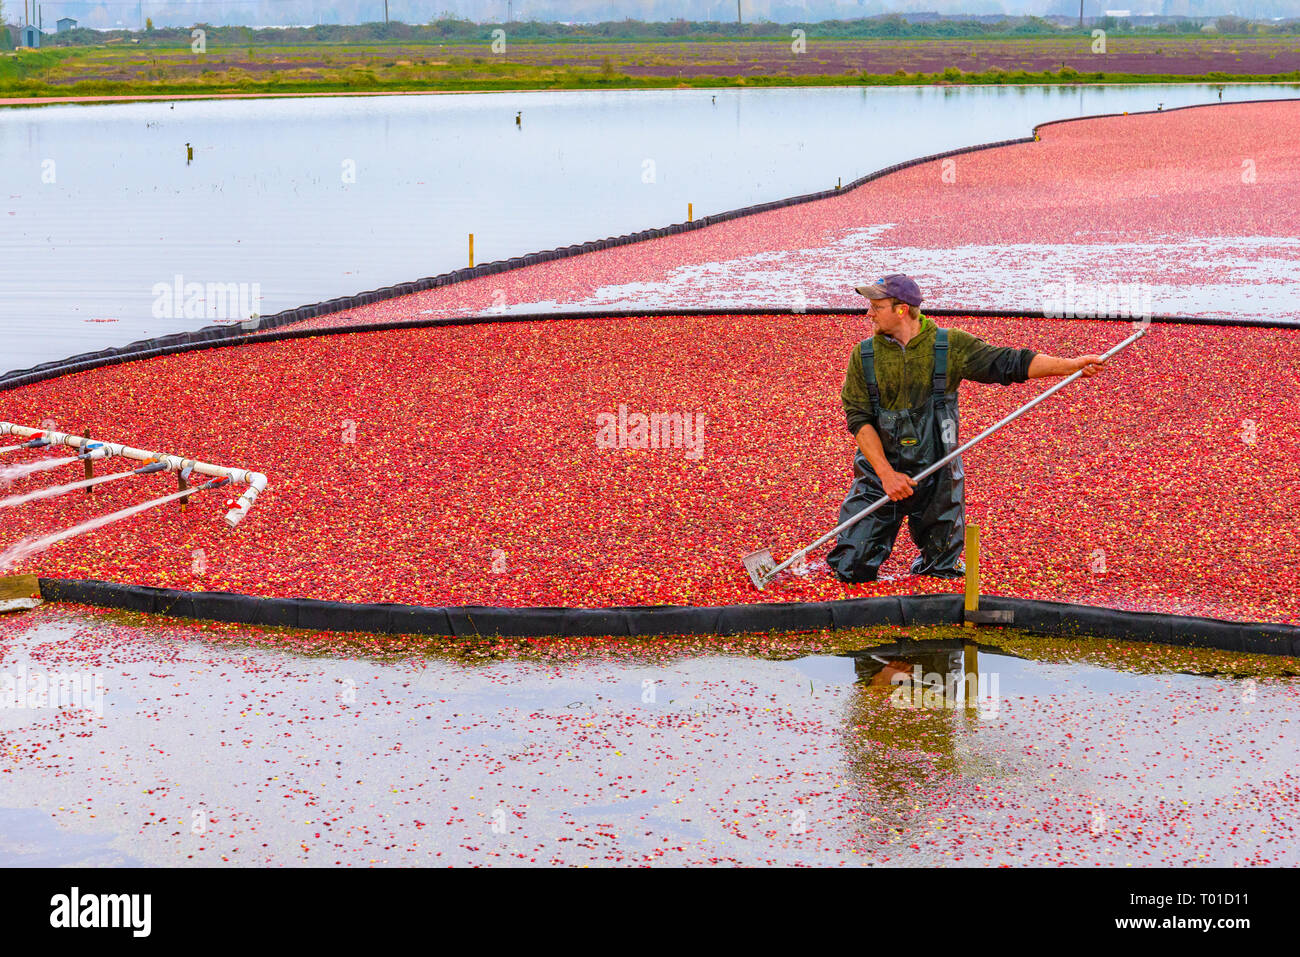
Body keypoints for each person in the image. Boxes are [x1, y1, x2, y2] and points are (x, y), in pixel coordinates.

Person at [826, 273, 1108, 584]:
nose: (868, 313)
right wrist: (886, 475)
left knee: (941, 573)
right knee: (851, 566)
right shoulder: (864, 356)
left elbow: (1008, 363)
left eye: (876, 306)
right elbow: (859, 418)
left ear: (902, 309)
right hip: (880, 474)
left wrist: (1071, 366)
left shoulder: (949, 346)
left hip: (939, 475)